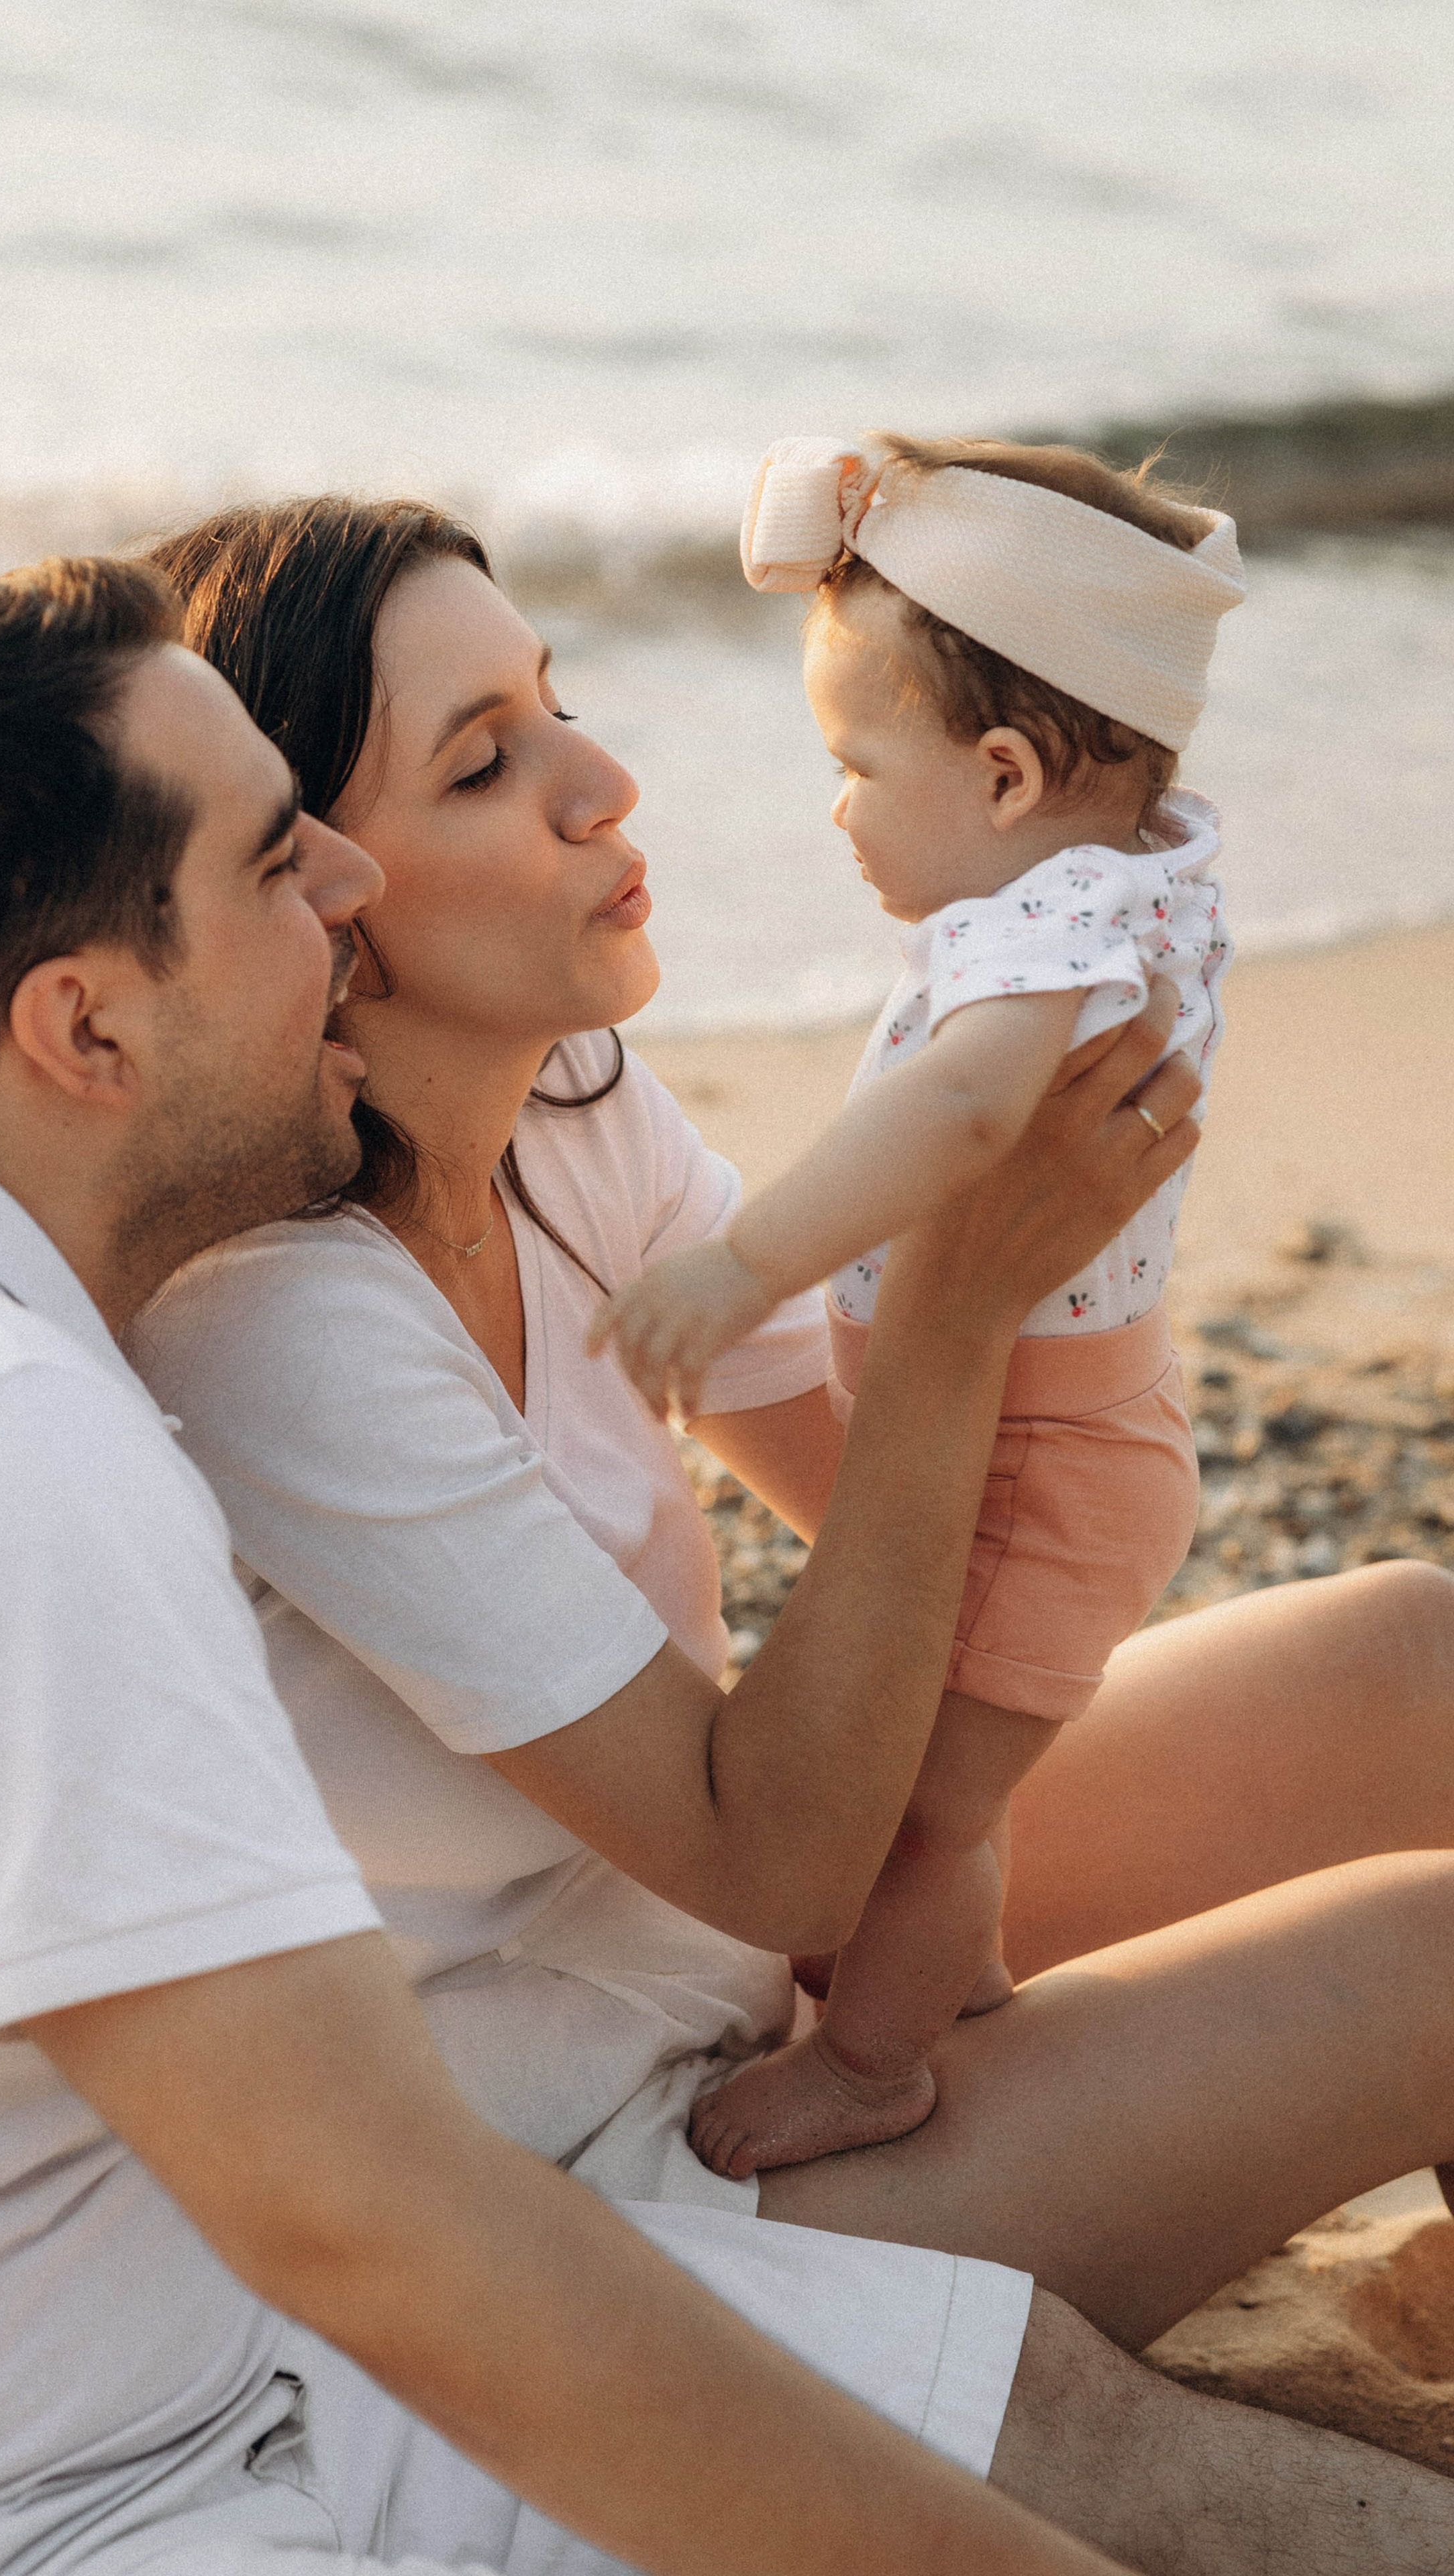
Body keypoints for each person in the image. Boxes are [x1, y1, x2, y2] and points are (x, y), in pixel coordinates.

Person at [0, 555, 1149, 2576]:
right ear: (85, 1029)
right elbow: (377, 2225)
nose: (346, 888)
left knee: (1080, 2429)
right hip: (37, 2504)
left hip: (220, 2368)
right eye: (271, 862)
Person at [138, 494, 1454, 2575]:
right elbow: (787, 1844)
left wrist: (1066, 1347)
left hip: (746, 1966)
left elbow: (875, 1522)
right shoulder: (287, 1326)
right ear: (318, 899)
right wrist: (950, 1309)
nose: (604, 784)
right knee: (1433, 1969)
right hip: (620, 2171)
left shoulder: (569, 1103)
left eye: (556, 703)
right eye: (487, 762)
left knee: (1409, 1653)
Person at [587, 432, 1239, 2180]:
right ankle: (946, 1980)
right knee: (933, 1778)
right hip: (1032, 1431)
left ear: (1012, 774)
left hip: (1051, 1458)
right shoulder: (1110, 873)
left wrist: (747, 1265)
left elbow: (957, 1118)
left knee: (937, 1806)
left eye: (856, 764)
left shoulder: (1065, 924)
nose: (838, 809)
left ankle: (878, 2060)